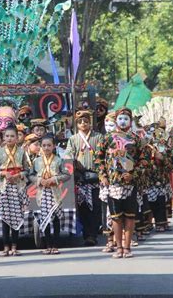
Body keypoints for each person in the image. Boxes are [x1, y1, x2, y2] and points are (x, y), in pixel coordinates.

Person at [95, 108, 143, 258]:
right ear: (116, 120)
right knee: (116, 216)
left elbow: (144, 160)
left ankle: (127, 247)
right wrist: (103, 175)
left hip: (131, 183)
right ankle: (119, 248)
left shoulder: (136, 139)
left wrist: (133, 174)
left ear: (131, 121)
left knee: (129, 216)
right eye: (120, 118)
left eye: (126, 119)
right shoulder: (107, 138)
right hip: (113, 182)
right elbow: (98, 158)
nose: (123, 121)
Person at [66, 111, 104, 246]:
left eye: (86, 121)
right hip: (81, 178)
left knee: (96, 207)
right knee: (83, 208)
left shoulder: (98, 137)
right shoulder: (73, 139)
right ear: (77, 124)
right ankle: (87, 235)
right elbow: (68, 155)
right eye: (80, 121)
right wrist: (73, 162)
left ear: (90, 122)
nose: (83, 123)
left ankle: (93, 234)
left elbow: (103, 154)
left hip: (96, 176)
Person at [0, 125, 30, 256]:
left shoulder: (21, 152)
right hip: (4, 188)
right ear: (3, 137)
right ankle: (5, 246)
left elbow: (27, 170)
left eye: (12, 136)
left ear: (17, 138)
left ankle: (14, 246)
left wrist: (19, 175)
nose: (9, 138)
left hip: (18, 186)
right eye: (7, 136)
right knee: (5, 217)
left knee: (17, 216)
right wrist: (3, 174)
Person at [31, 135, 70, 254]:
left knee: (56, 218)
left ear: (54, 146)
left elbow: (67, 175)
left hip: (55, 192)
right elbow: (30, 175)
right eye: (44, 145)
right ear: (41, 147)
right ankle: (48, 245)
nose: (46, 148)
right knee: (46, 218)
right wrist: (39, 180)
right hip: (42, 192)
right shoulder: (36, 161)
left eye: (49, 145)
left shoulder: (59, 160)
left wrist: (55, 179)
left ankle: (56, 244)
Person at [100, 112, 117, 252]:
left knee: (119, 211)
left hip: (121, 181)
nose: (108, 127)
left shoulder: (127, 139)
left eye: (111, 124)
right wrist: (102, 175)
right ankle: (110, 240)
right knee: (106, 210)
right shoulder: (103, 139)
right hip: (107, 180)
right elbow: (98, 160)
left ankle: (121, 239)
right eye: (106, 124)